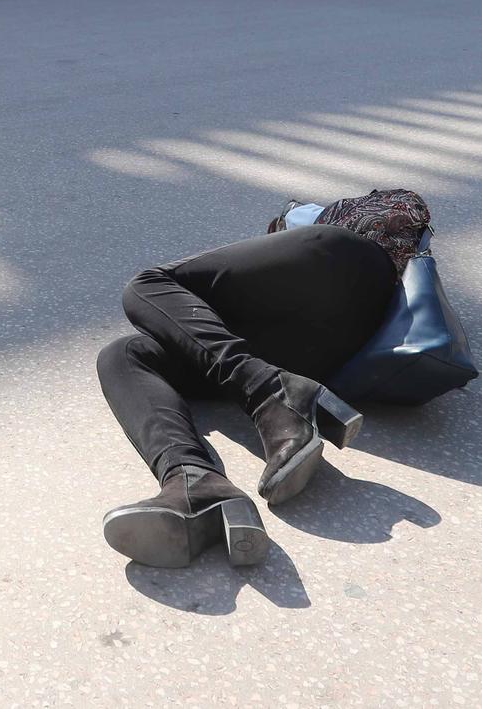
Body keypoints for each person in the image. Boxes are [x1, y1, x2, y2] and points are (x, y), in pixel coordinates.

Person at [96, 225, 397, 568]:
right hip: (311, 351)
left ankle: (272, 392)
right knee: (123, 354)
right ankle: (193, 480)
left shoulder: (351, 220)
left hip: (349, 261)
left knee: (147, 285)